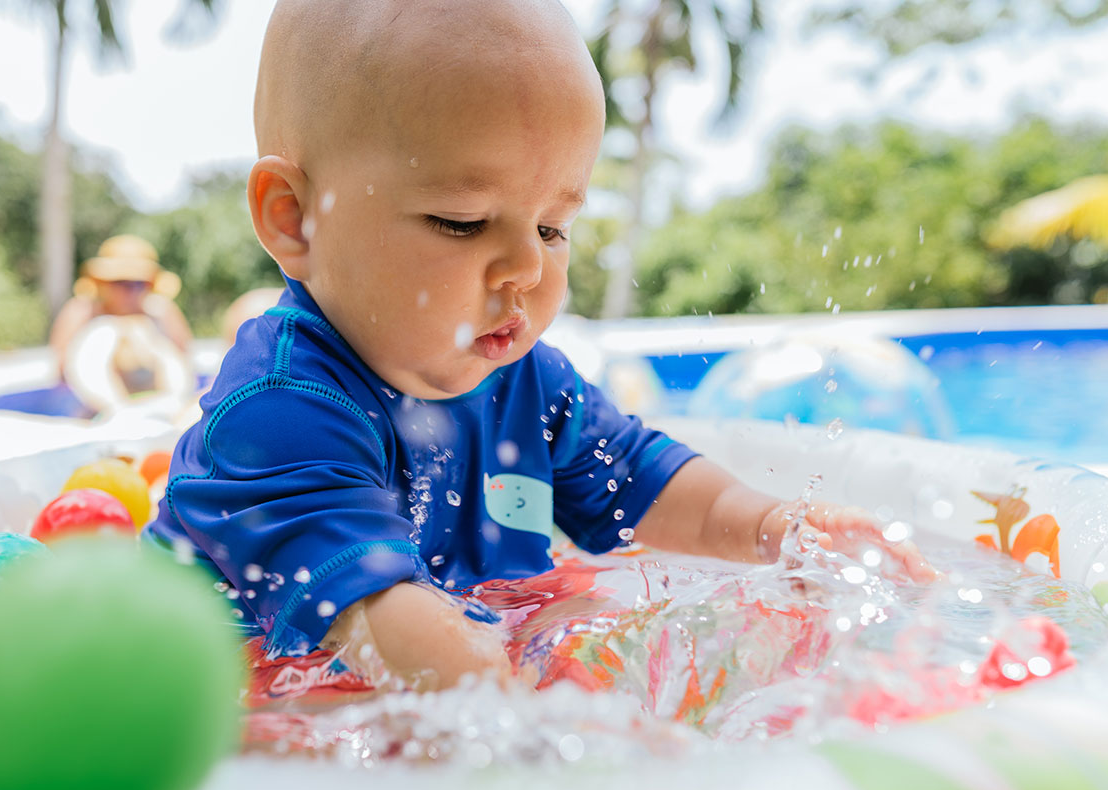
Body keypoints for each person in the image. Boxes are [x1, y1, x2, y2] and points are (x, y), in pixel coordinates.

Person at [143, 0, 938, 694]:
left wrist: (776, 527)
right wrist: (547, 714)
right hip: (235, 686)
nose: (527, 266)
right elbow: (384, 626)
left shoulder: (524, 379)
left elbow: (643, 480)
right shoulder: (279, 407)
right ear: (294, 218)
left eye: (554, 227)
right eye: (462, 219)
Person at [47, 235, 197, 417]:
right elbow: (62, 373)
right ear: (103, 283)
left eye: (138, 284)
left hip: (159, 411)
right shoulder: (82, 312)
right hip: (91, 415)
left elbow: (184, 366)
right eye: (120, 283)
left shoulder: (160, 311)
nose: (130, 291)